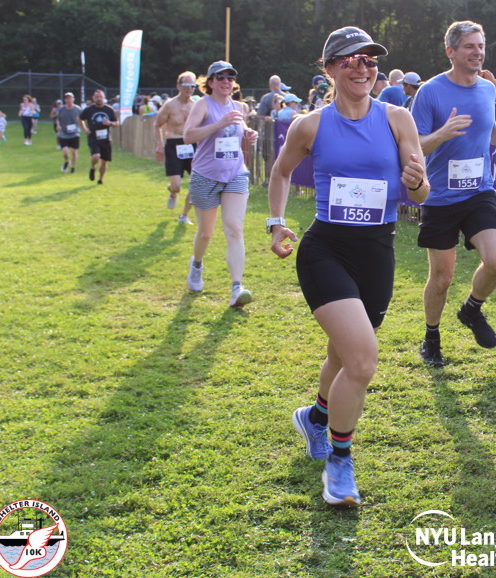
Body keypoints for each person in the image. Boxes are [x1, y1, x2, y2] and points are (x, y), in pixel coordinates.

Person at [268, 26, 428, 506]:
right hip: (326, 251)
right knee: (361, 360)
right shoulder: (310, 125)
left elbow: (422, 194)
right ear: (330, 69)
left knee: (342, 357)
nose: (362, 68)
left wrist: (416, 182)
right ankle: (339, 463)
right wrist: (276, 223)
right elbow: (280, 171)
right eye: (350, 60)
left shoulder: (397, 118)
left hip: (377, 253)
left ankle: (315, 418)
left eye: (369, 60)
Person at [411, 20, 496, 367]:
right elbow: (414, 147)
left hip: (478, 192)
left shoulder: (488, 89)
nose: (478, 52)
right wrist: (442, 134)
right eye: (470, 46)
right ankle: (431, 337)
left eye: (481, 45)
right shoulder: (430, 92)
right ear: (451, 51)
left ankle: (472, 309)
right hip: (440, 196)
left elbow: (489, 130)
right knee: (441, 278)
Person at [182, 61, 258, 307]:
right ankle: (196, 265)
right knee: (205, 233)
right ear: (211, 82)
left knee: (234, 228)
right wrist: (218, 124)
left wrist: (249, 134)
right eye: (221, 77)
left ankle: (237, 287)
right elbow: (188, 135)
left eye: (230, 78)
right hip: (205, 175)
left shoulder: (239, 107)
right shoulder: (203, 105)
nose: (226, 82)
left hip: (235, 174)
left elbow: (240, 130)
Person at [154, 71, 199, 224]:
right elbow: (157, 125)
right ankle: (173, 192)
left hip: (191, 144)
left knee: (197, 183)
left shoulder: (196, 106)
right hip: (174, 144)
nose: (189, 89)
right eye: (186, 85)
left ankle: (184, 215)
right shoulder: (169, 105)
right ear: (178, 86)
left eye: (192, 86)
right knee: (176, 185)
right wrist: (159, 145)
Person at [81, 90, 119, 184]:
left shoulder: (109, 109)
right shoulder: (89, 110)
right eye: (97, 97)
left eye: (100, 97)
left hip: (106, 139)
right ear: (93, 98)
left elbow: (116, 123)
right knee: (96, 156)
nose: (99, 99)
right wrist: (85, 129)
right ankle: (92, 167)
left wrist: (110, 123)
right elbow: (80, 119)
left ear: (104, 98)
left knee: (104, 161)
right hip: (93, 137)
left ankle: (101, 179)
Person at [54, 92, 82, 173]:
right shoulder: (62, 109)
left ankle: (73, 167)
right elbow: (58, 119)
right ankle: (67, 161)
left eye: (70, 98)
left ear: (73, 99)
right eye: (67, 99)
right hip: (64, 133)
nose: (69, 100)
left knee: (74, 151)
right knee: (65, 152)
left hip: (75, 133)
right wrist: (58, 125)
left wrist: (80, 123)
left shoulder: (78, 109)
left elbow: (82, 119)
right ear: (65, 100)